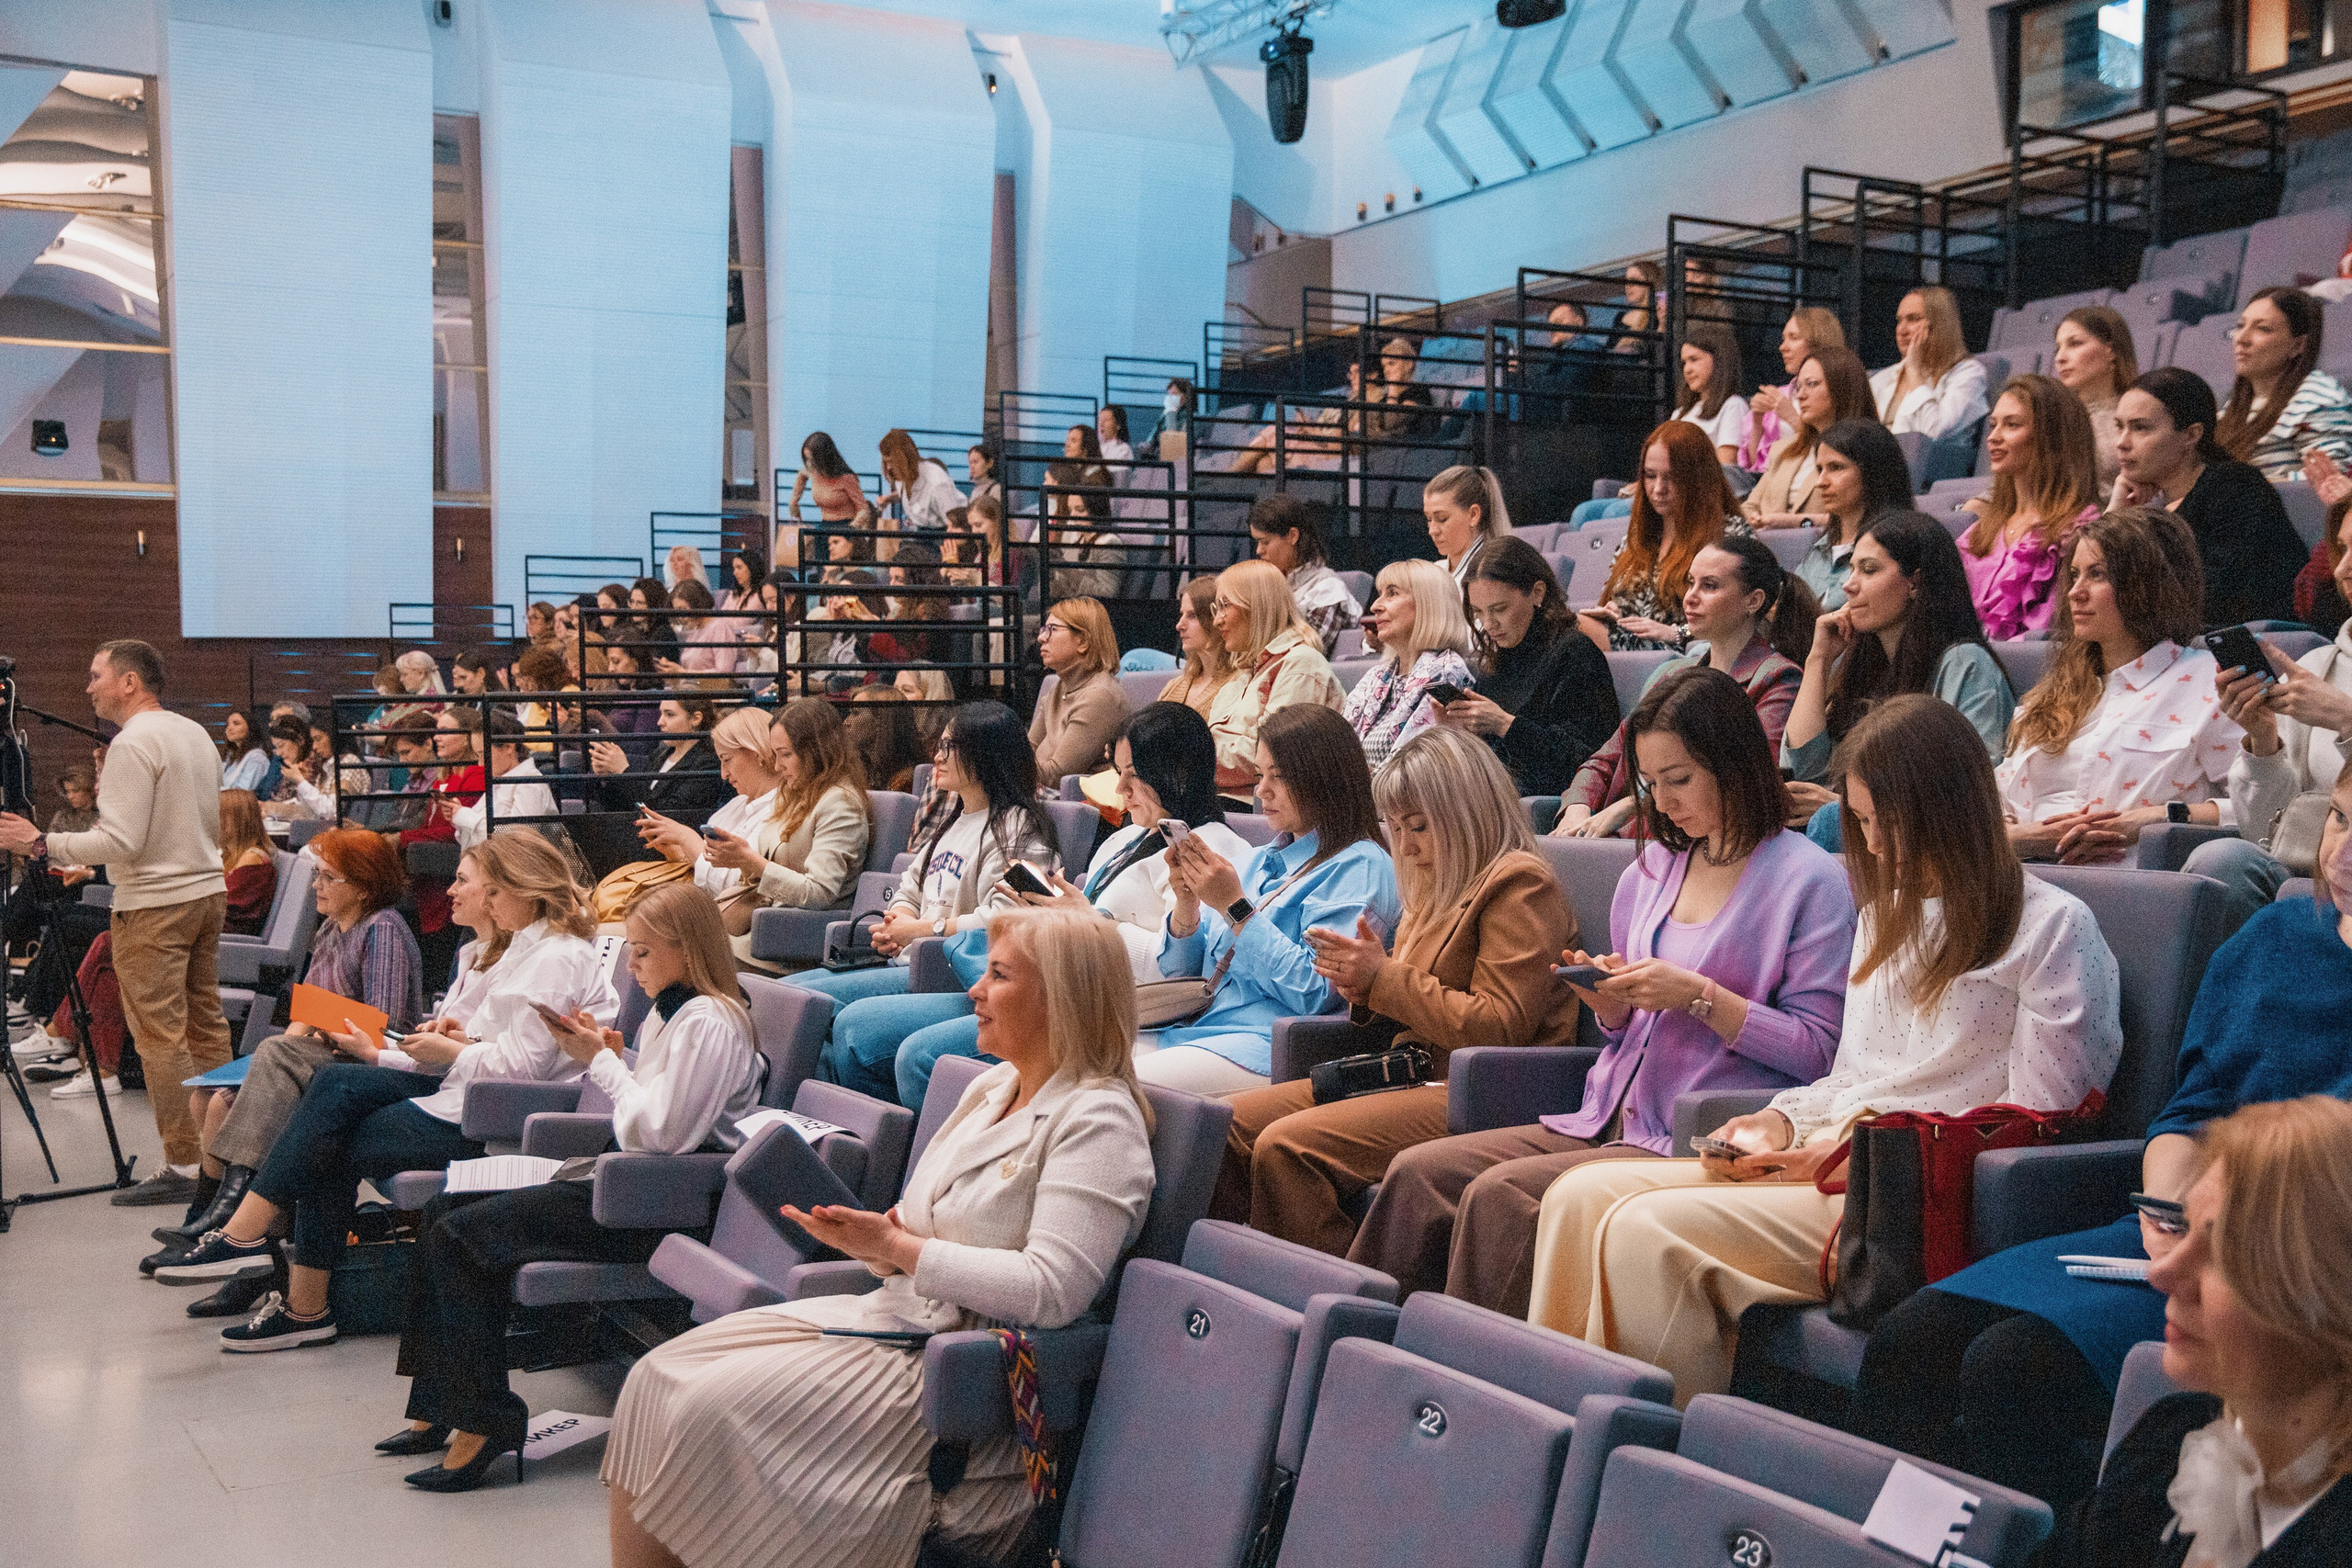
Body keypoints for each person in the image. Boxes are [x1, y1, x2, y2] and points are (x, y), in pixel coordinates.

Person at [1525, 695, 2123, 1402]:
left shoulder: (2054, 928)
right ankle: (1559, 1438)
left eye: (1882, 822)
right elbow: (1853, 1075)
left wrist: (1843, 1149)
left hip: (1906, 1190)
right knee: (1574, 1195)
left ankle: (1660, 1466)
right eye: (1862, 821)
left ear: (1946, 809)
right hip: (1836, 1159)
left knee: (1645, 1234)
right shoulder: (1885, 920)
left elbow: (2036, 1121)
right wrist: (1780, 1121)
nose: (1869, 845)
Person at [1852, 769, 2352, 1512]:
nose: (2341, 850)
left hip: (2302, 1263)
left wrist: (2221, 1232)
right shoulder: (2274, 936)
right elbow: (2192, 1108)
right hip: (2181, 1227)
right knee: (1908, 1341)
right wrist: (2166, 1211)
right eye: (2340, 817)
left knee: (2010, 1368)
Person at [602, 906, 1155, 1568]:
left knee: (702, 1411)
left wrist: (897, 1250)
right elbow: (924, 1231)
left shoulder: (1098, 1119)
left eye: (999, 975)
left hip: (967, 1378)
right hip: (895, 1319)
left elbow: (1052, 1290)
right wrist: (872, 1242)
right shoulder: (990, 1086)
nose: (974, 989)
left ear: (1062, 996)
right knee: (655, 1379)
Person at [1356, 668, 1856, 1311]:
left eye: (1680, 780)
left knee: (1500, 1197)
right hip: (1603, 1115)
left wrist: (1700, 996)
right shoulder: (1649, 871)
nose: (1663, 801)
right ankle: (1361, 1354)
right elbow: (1633, 1032)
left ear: (1735, 764)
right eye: (1651, 783)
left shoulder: (1810, 882)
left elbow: (1819, 1052)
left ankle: (1465, 1380)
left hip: (1697, 1131)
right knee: (1417, 1174)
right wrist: (1613, 1006)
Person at [155, 830, 615, 1349]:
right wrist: (454, 1043)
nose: (464, 896)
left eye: (477, 886)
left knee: (328, 1120)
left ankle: (264, 1261)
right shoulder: (524, 953)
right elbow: (505, 1047)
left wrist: (455, 1051)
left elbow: (524, 1068)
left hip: (498, 1122)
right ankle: (273, 1271)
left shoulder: (555, 957)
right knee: (327, 1109)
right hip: (464, 1100)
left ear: (516, 888)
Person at [389, 882, 761, 1491]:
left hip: (654, 1203)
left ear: (683, 948)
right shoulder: (679, 1013)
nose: (631, 966)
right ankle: (443, 1403)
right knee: (440, 1209)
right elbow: (647, 1113)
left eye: (642, 952)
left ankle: (486, 1420)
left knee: (462, 1234)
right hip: (628, 1180)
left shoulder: (709, 1021)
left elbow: (659, 1134)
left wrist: (602, 1061)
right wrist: (614, 1057)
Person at [1216, 728, 1580, 1255]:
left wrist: (1382, 978)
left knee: (1287, 1147)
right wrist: (1361, 989)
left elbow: (1500, 1026)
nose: (1404, 847)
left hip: (1475, 1089)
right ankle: (1233, 1277)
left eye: (1420, 827)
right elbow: (1402, 1003)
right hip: (1403, 1073)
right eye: (1396, 828)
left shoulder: (1520, 884)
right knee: (1224, 1126)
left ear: (1467, 814)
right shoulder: (1432, 883)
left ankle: (1342, 1303)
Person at [868, 704, 1259, 1111]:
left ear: (1174, 774)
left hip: (1115, 1009)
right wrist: (1052, 909)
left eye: (1134, 775)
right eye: (1119, 773)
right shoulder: (1125, 839)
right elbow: (1088, 919)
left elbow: (1180, 974)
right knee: (873, 1035)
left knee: (920, 1055)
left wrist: (1084, 919)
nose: (1121, 790)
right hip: (1064, 987)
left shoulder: (1215, 853)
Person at [2034, 1097, 2352, 1564]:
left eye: (2224, 1252)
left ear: (2331, 1298)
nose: (2160, 1275)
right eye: (2182, 1232)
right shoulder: (2166, 1440)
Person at [0, 641, 232, 1209]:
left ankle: (183, 1163)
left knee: (160, 1037)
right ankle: (225, 1154)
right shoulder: (192, 732)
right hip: (205, 892)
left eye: (95, 674)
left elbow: (120, 842)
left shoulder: (133, 743)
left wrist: (39, 841)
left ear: (129, 681)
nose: (88, 687)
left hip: (156, 901)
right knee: (207, 1027)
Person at [146, 828, 424, 1258]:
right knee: (213, 1097)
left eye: (329, 877)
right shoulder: (331, 928)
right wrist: (261, 1064)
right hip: (325, 1052)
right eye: (319, 874)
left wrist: (290, 1048)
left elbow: (380, 1029)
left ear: (364, 887)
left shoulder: (382, 929)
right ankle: (205, 1219)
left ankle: (224, 1218)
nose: (317, 884)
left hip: (364, 1062)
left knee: (253, 1074)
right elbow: (308, 1010)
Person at [796, 704, 1057, 1100]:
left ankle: (886, 1139)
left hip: (954, 973)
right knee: (794, 995)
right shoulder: (955, 819)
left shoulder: (1017, 828)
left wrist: (918, 931)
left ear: (985, 753)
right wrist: (897, 922)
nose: (936, 755)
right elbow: (908, 888)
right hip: (912, 962)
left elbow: (1002, 922)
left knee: (841, 1023)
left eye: (950, 746)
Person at [1147, 705, 1400, 1094]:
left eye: (1279, 777)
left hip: (1265, 1046)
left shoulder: (1360, 866)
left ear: (1325, 780)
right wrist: (1187, 904)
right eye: (1260, 774)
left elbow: (1314, 993)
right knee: (1066, 1070)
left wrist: (1235, 908)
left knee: (1109, 1088)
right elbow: (1181, 977)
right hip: (1196, 1026)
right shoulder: (1256, 860)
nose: (1261, 790)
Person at [1998, 508, 2240, 862]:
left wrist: (2154, 818)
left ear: (2145, 584)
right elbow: (1996, 804)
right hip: (2026, 879)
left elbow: (2260, 811)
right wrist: (2023, 838)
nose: (2075, 593)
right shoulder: (2052, 691)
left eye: (2098, 575)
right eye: (2075, 575)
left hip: (2132, 884)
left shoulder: (2208, 681)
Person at [1555, 536, 1812, 839]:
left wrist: (1631, 805)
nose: (1690, 597)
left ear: (1753, 601)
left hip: (1683, 843)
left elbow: (1744, 782)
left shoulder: (1777, 678)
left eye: (1710, 586)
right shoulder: (1672, 674)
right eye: (1691, 582)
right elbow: (1608, 758)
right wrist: (1578, 806)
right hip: (1619, 838)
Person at [34, 789, 276, 1104]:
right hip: (188, 938)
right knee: (110, 957)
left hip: (212, 950)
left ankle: (63, 1033)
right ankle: (99, 1070)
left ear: (237, 820)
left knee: (107, 941)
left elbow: (224, 912)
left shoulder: (254, 862)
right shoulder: (231, 856)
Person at [1781, 512, 2014, 798]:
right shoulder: (1863, 666)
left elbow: (1970, 792)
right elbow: (1805, 773)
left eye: (1868, 570)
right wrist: (1818, 660)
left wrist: (1841, 810)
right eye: (1851, 569)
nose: (1848, 585)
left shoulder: (1966, 664)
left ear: (1915, 583)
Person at [643, 699, 872, 967]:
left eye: (785, 754)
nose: (776, 766)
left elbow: (820, 893)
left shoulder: (838, 802)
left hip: (789, 941)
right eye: (775, 755)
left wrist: (751, 861)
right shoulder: (799, 796)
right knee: (656, 942)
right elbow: (772, 871)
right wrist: (741, 861)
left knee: (668, 955)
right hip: (759, 928)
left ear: (815, 751)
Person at [2199, 523, 2352, 919]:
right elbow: (2264, 834)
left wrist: (2347, 719)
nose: (2342, 569)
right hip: (2308, 872)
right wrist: (2264, 741)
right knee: (2224, 860)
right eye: (2343, 549)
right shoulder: (2316, 668)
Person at [2113, 367, 2309, 629]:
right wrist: (2116, 511)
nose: (2122, 442)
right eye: (2119, 427)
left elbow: (2214, 599)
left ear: (2191, 435)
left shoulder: (2236, 488)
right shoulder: (2148, 506)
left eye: (2140, 428)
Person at [1438, 537, 1619, 795]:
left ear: (1537, 593)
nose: (1488, 624)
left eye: (1499, 609)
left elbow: (1587, 760)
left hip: (1546, 800)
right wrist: (1458, 735)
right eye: (1478, 612)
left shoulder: (1575, 652)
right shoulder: (1495, 660)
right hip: (1498, 793)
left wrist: (1506, 725)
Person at [1960, 374, 2103, 639]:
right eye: (1993, 425)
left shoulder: (2078, 528)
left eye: (2012, 425)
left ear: (2052, 437)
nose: (1993, 437)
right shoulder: (1979, 532)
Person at [1591, 420, 1753, 652]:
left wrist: (1679, 633)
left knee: (1572, 631)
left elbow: (1747, 615)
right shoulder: (1638, 536)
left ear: (1698, 478)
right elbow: (1621, 606)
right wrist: (1614, 613)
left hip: (1683, 654)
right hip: (1631, 649)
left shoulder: (1729, 535)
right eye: (1650, 476)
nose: (1658, 489)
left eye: (1671, 477)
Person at [1204, 558, 1347, 796]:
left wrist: (1186, 758)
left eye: (1225, 605)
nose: (1217, 620)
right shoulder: (1239, 679)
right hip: (1220, 802)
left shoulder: (1301, 665)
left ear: (1257, 606)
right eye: (1215, 608)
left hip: (1258, 808)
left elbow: (1270, 757)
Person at [1344, 558, 1477, 769]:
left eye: (1392, 593)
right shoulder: (1376, 677)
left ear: (1428, 604)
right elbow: (1341, 748)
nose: (1375, 606)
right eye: (1380, 594)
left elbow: (1417, 769)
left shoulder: (1447, 673)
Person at [2215, 284, 2352, 481]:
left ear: (2297, 345)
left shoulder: (2318, 398)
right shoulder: (2231, 408)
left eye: (2263, 329)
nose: (2241, 338)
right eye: (2240, 326)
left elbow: (2332, 482)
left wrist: (2240, 494)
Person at [1743, 346, 1878, 532]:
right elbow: (1750, 506)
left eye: (1812, 384)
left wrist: (1796, 522)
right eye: (1798, 387)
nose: (1800, 395)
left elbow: (1869, 516)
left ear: (1841, 388)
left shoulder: (1868, 446)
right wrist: (1753, 520)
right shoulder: (1783, 449)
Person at [1791, 418, 1917, 611]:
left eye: (1836, 467)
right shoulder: (1817, 551)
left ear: (1873, 472)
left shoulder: (1900, 546)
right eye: (1819, 469)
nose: (1821, 482)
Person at [1031, 595, 1132, 785]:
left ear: (1083, 641)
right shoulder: (1058, 687)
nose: (1041, 637)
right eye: (1044, 629)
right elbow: (1026, 750)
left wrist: (1002, 765)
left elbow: (1057, 776)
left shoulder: (1100, 695)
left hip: (1078, 806)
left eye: (1053, 629)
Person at [1871, 285, 1990, 441]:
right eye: (1899, 321)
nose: (1902, 330)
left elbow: (1935, 433)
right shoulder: (1882, 378)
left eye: (1913, 319)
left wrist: (1914, 372)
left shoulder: (1968, 374)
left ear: (1939, 325)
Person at [1249, 492, 1361, 657]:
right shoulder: (1266, 585)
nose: (1259, 550)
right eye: (1257, 542)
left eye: (1265, 542)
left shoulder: (1327, 588)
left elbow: (1307, 652)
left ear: (1293, 536)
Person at [1739, 306, 1848, 475]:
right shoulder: (1780, 395)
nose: (1783, 347)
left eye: (1794, 338)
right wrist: (1758, 421)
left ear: (1818, 342)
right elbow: (1754, 465)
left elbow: (1837, 451)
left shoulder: (1838, 390)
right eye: (1783, 339)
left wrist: (1790, 415)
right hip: (1772, 481)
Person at [589, 694, 727, 821]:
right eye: (661, 714)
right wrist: (606, 777)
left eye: (669, 715)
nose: (660, 722)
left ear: (696, 719)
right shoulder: (660, 754)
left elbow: (671, 814)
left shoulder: (708, 763)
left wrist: (624, 771)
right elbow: (622, 807)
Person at [2052, 303, 2139, 486]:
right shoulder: (2052, 419)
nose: (2060, 357)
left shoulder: (2140, 417)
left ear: (2111, 351)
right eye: (2057, 348)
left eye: (2075, 344)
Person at [450, 714, 557, 848]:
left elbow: (518, 842)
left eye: (483, 754)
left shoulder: (531, 783)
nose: (480, 763)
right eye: (478, 755)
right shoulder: (499, 780)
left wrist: (465, 817)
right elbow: (475, 840)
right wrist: (459, 815)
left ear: (508, 747)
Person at [1159, 575, 1238, 720]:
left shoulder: (1238, 687)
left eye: (1193, 615)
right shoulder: (1174, 686)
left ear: (1218, 618)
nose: (1179, 626)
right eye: (1182, 614)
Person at [1422, 464, 1512, 589]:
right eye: (1429, 519)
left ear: (1473, 515)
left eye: (1442, 518)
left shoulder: (1492, 577)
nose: (1432, 531)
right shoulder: (1434, 571)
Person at [1674, 322, 1750, 464]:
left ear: (1719, 360)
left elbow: (1726, 468)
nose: (1687, 369)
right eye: (1684, 362)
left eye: (1694, 360)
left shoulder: (1733, 406)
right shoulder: (1680, 413)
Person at [788, 430, 871, 553]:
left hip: (844, 529)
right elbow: (802, 475)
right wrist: (794, 502)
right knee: (821, 567)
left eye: (813, 460)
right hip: (824, 526)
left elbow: (863, 509)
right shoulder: (813, 472)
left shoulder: (846, 478)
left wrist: (852, 528)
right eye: (807, 460)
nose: (810, 464)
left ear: (824, 458)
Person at [878, 428, 964, 537]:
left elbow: (954, 525)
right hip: (920, 534)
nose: (889, 467)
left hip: (943, 534)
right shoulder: (901, 478)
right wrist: (890, 498)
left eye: (892, 462)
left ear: (904, 460)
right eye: (886, 462)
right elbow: (914, 498)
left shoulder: (936, 483)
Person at [845, 686, 928, 794]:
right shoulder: (857, 769)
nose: (846, 722)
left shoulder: (904, 779)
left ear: (880, 721)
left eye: (856, 713)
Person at [220, 707, 273, 794]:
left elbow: (244, 792)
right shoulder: (231, 757)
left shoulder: (257, 758)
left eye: (236, 724)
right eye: (228, 725)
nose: (229, 728)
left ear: (250, 728)